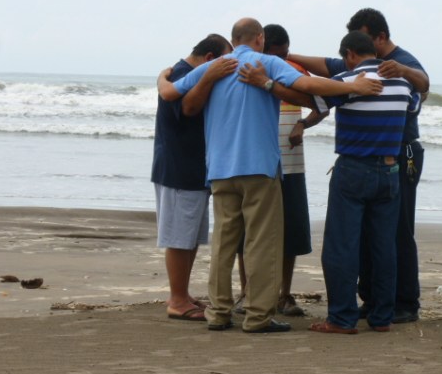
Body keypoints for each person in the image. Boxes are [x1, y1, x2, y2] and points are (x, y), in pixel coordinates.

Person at [161, 17, 383, 333]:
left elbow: (171, 93)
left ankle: (219, 312)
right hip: (259, 167)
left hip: (221, 169)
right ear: (260, 38)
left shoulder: (215, 67)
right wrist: (352, 87)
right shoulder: (266, 63)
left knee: (224, 243)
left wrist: (161, 77)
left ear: (233, 39)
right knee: (262, 243)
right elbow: (306, 85)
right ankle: (257, 316)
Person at [289, 8, 429, 324]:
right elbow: (328, 65)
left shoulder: (391, 67)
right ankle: (381, 311)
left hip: (387, 158)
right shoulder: (394, 79)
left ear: (377, 39)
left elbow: (317, 95)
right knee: (381, 241)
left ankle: (386, 307)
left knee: (370, 238)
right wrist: (287, 54)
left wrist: (272, 82)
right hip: (390, 164)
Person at [151, 34, 236, 322]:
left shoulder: (179, 74)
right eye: (225, 62)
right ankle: (177, 299)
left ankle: (182, 294)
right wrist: (209, 78)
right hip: (179, 168)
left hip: (193, 168)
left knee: (190, 236)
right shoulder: (181, 75)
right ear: (211, 59)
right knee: (178, 236)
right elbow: (187, 107)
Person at [234, 24, 317, 317]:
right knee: (249, 230)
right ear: (263, 47)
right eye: (278, 55)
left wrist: (302, 124)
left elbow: (320, 105)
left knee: (290, 229)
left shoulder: (293, 69)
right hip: (258, 160)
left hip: (291, 161)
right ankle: (246, 293)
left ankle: (284, 294)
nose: (282, 60)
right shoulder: (247, 69)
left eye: (285, 54)